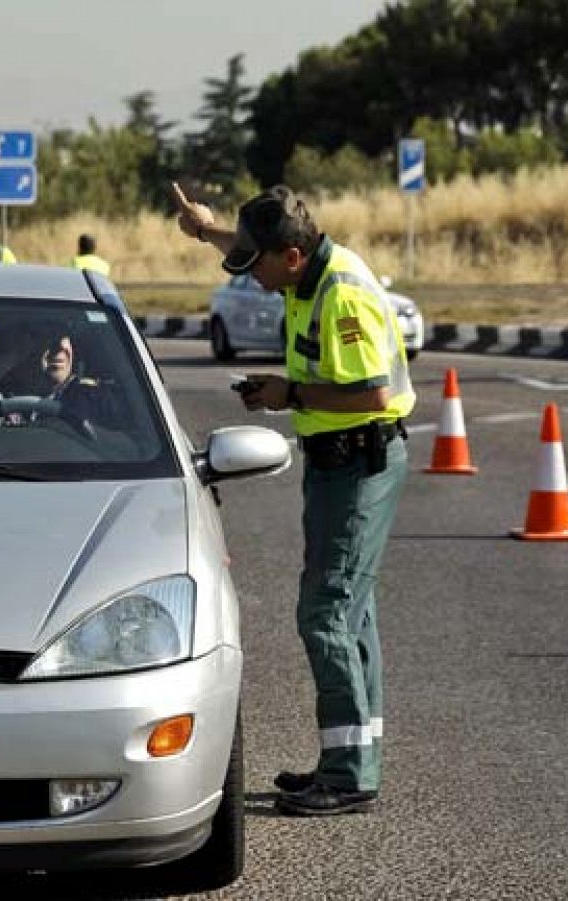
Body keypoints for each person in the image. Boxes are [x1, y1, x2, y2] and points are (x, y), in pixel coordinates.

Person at [173, 182, 414, 817]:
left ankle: (348, 774)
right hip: (338, 460)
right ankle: (354, 757)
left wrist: (289, 396)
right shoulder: (305, 271)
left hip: (359, 459)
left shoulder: (342, 296)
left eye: (260, 267)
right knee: (351, 613)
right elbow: (249, 247)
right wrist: (207, 230)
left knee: (326, 613)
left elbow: (371, 394)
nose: (253, 281)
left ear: (294, 257)